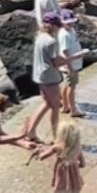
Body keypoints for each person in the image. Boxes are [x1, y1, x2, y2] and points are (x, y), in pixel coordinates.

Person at [26, 11, 69, 142]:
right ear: (52, 26)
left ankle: (31, 132)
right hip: (50, 78)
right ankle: (56, 137)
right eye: (58, 25)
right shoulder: (51, 41)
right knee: (55, 107)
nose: (59, 28)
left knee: (46, 103)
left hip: (40, 76)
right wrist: (73, 58)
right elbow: (56, 63)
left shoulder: (39, 36)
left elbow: (49, 57)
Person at [58, 9, 88, 118]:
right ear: (62, 22)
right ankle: (73, 109)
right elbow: (64, 52)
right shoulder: (64, 34)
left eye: (72, 21)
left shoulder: (71, 30)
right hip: (70, 66)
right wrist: (69, 67)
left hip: (72, 64)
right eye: (68, 22)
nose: (70, 24)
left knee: (66, 85)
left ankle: (66, 106)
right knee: (72, 87)